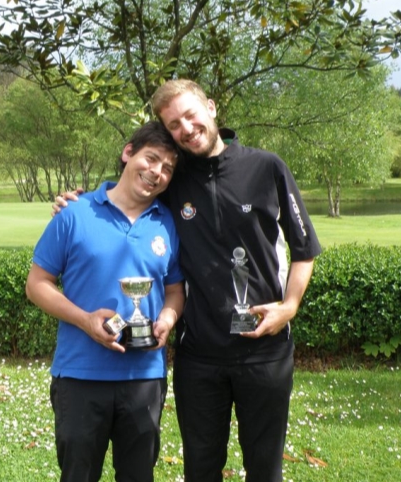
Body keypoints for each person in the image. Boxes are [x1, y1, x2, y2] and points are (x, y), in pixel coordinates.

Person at [55, 79, 322, 482]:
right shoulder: (172, 180)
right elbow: (125, 192)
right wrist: (72, 200)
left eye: (190, 115)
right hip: (198, 357)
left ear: (211, 108)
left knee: (266, 471)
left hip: (266, 352)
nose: (186, 128)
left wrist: (289, 307)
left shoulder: (267, 167)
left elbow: (305, 249)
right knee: (200, 470)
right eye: (174, 124)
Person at [26, 121, 185, 482]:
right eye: (151, 158)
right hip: (80, 374)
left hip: (144, 376)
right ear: (128, 153)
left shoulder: (168, 224)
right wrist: (85, 320)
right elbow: (37, 284)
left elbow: (175, 289)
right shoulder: (74, 213)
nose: (157, 173)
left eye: (168, 168)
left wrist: (168, 318)